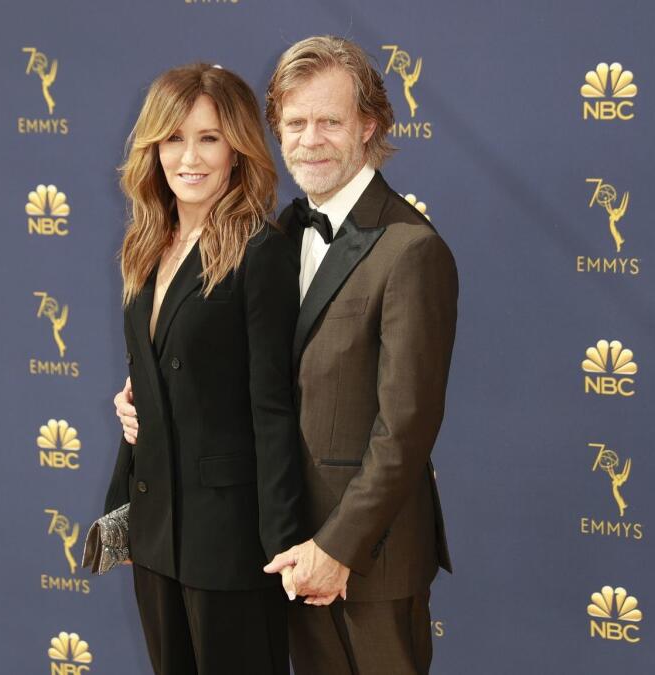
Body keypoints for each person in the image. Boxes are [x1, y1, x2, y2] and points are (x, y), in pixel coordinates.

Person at [116, 37, 459, 675]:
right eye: (295, 123)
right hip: (280, 542)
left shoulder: (410, 249)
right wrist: (149, 402)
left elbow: (405, 429)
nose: (310, 139)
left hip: (366, 556)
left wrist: (338, 547)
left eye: (330, 121)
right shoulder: (275, 233)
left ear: (369, 125)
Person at [103, 62, 303, 675]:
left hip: (233, 539)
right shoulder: (146, 247)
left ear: (238, 150)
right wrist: (123, 511)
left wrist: (285, 543)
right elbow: (152, 383)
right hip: (158, 526)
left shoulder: (260, 251)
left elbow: (273, 408)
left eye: (209, 138)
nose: (188, 157)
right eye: (173, 138)